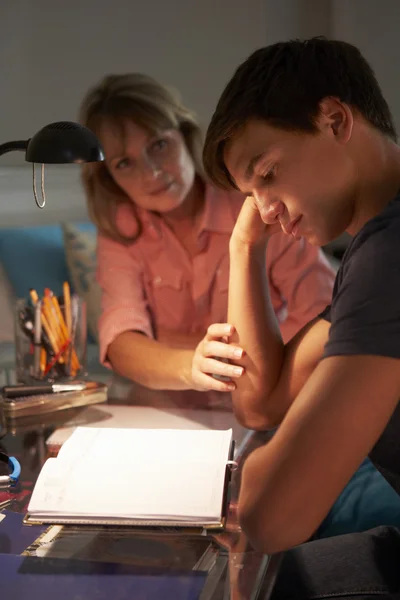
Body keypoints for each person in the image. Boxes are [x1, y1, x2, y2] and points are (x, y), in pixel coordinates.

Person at [202, 37, 400, 597]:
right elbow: (260, 398)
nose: (264, 210)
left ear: (335, 120)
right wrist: (245, 245)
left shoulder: (390, 254)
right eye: (248, 196)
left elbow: (270, 516)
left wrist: (264, 468)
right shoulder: (372, 250)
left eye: (266, 174)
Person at [78, 72, 334, 395]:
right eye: (124, 164)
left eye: (158, 145)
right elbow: (120, 340)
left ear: (184, 136)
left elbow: (324, 313)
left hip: (276, 391)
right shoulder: (121, 231)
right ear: (109, 178)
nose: (152, 172)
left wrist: (253, 364)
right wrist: (192, 366)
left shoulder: (255, 202)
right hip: (173, 409)